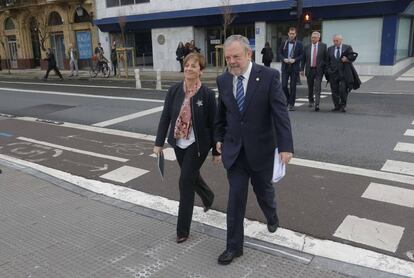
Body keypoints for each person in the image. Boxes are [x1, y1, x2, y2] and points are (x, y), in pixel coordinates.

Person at [214, 35, 294, 265]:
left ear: (249, 54)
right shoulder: (223, 80)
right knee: (235, 199)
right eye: (228, 57)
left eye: (236, 56)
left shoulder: (268, 77)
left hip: (261, 151)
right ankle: (233, 247)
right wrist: (218, 139)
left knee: (263, 192)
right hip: (235, 152)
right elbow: (222, 115)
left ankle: (271, 214)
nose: (231, 61)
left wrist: (286, 146)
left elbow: (280, 113)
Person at [154, 52, 218, 244]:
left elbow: (214, 124)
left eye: (194, 65)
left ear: (201, 71)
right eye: (187, 65)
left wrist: (216, 150)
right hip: (178, 143)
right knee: (190, 176)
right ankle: (208, 196)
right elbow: (166, 116)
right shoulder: (174, 90)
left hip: (198, 145)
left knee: (185, 181)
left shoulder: (206, 95)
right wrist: (159, 143)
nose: (189, 68)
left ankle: (183, 230)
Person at [326, 34, 358, 112]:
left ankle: (343, 105)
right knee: (334, 91)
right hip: (333, 73)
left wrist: (347, 59)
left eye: (337, 41)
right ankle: (336, 106)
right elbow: (327, 61)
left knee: (343, 89)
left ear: (341, 40)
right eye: (334, 41)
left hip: (344, 73)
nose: (335, 42)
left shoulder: (347, 47)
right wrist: (329, 70)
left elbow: (352, 57)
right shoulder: (330, 49)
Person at [300, 31, 327, 111]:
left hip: (319, 70)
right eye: (312, 37)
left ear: (319, 38)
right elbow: (303, 59)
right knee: (310, 86)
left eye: (315, 37)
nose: (313, 39)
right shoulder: (307, 47)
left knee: (317, 87)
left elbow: (326, 58)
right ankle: (311, 100)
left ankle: (317, 104)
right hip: (310, 69)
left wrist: (323, 65)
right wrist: (302, 69)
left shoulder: (323, 46)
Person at [278, 27, 303, 111]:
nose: (292, 35)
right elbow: (279, 53)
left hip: (294, 67)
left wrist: (295, 60)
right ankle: (288, 100)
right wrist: (283, 59)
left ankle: (291, 104)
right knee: (283, 85)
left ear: (295, 34)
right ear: (288, 34)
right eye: (290, 33)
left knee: (293, 87)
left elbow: (302, 55)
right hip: (285, 67)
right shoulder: (284, 43)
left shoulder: (299, 44)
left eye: (293, 34)